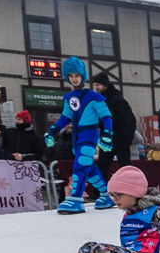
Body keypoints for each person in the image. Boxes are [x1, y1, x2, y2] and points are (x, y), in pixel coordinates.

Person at [44, 57, 116, 214]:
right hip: (76, 139)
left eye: (76, 75)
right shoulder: (69, 97)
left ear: (82, 76)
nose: (74, 79)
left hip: (89, 136)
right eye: (71, 76)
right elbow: (65, 118)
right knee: (89, 169)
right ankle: (106, 194)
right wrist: (51, 132)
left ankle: (75, 199)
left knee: (80, 165)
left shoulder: (93, 96)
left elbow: (106, 116)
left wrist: (107, 135)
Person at [91, 72, 137, 178]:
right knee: (102, 166)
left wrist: (128, 137)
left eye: (98, 85)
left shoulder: (117, 100)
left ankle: (128, 191)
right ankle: (99, 192)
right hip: (106, 139)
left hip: (120, 139)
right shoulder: (99, 101)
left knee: (124, 167)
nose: (96, 88)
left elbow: (130, 119)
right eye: (95, 86)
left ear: (105, 84)